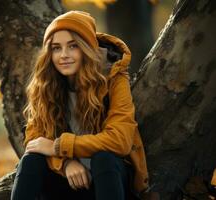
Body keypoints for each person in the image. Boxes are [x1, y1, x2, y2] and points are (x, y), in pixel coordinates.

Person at [11, 10, 157, 200]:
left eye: (72, 46)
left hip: (108, 180)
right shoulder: (46, 85)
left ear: (86, 48)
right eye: (56, 48)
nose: (63, 55)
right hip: (66, 181)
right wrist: (65, 163)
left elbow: (119, 140)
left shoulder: (114, 79)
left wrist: (58, 146)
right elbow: (34, 141)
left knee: (103, 158)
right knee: (31, 161)